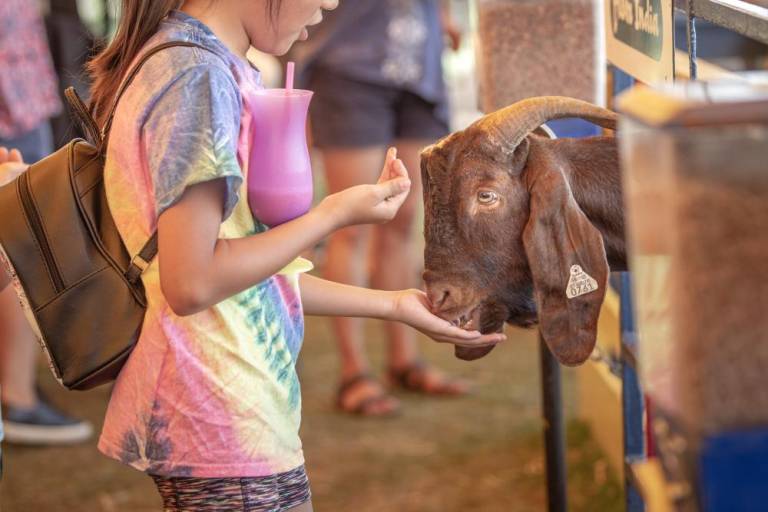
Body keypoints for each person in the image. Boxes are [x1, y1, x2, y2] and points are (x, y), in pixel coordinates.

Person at [87, 1, 504, 509]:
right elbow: (192, 281)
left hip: (231, 410)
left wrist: (395, 305)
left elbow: (244, 280)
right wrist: (329, 216)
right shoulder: (197, 76)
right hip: (220, 412)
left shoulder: (203, 64)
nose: (331, 2)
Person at [289, 0, 466, 416]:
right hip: (349, 62)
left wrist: (442, 15)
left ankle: (404, 361)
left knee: (404, 222)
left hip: (419, 67)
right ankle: (354, 373)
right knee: (351, 224)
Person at [0, 0, 93, 445]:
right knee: (19, 236)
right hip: (9, 91)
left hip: (19, 82)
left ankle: (17, 390)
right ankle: (16, 393)